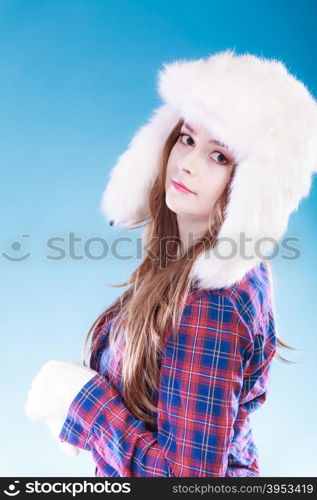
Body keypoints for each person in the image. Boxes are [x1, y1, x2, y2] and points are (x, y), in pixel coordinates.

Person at [25, 49, 317, 477]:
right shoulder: (185, 262)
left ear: (253, 191)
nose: (187, 164)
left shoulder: (212, 303)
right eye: (187, 138)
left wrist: (84, 406)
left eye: (219, 156)